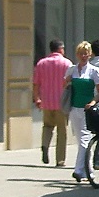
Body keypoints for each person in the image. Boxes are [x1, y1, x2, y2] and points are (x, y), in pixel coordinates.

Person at [66, 41, 99, 182]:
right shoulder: (72, 70)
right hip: (74, 108)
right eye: (81, 53)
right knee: (81, 140)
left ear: (90, 55)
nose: (83, 56)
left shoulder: (94, 71)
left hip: (88, 109)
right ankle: (89, 171)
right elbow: (65, 86)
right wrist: (68, 81)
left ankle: (78, 170)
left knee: (85, 140)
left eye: (86, 53)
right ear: (77, 55)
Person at [32, 39, 72, 167]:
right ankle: (60, 160)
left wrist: (37, 98)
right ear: (61, 49)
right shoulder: (67, 64)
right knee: (62, 131)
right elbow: (71, 83)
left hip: (46, 102)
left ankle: (44, 145)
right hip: (62, 103)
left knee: (47, 126)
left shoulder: (41, 63)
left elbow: (36, 83)